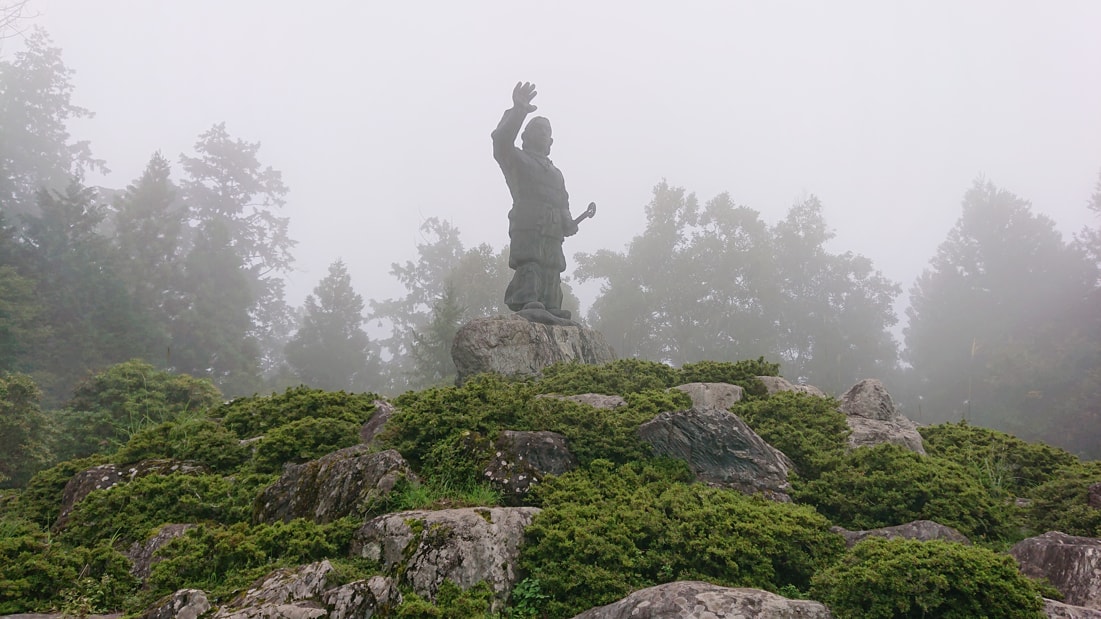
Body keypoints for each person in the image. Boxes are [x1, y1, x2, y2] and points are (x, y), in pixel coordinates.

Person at [492, 81, 578, 319]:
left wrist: (568, 221)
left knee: (552, 264)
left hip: (552, 227)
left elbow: (563, 202)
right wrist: (518, 111)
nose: (544, 134)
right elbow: (501, 144)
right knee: (531, 260)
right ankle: (528, 299)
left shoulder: (556, 173)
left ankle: (551, 303)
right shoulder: (518, 160)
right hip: (528, 222)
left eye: (548, 131)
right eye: (539, 129)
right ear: (526, 136)